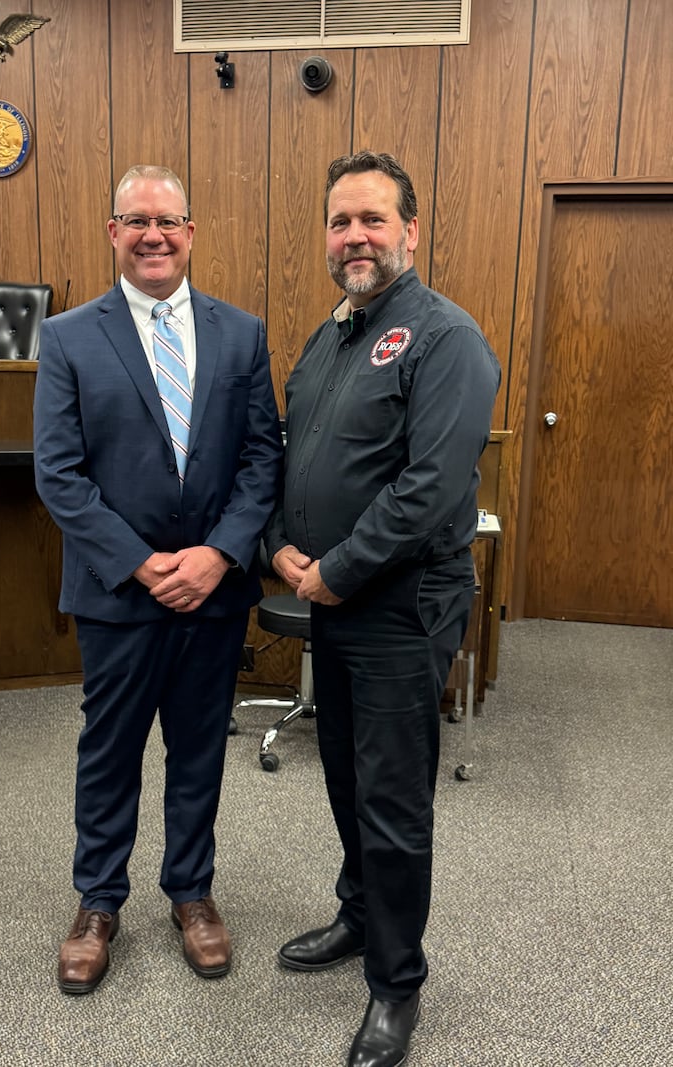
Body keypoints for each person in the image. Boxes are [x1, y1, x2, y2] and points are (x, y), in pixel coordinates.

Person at [265, 150, 501, 1067]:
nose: (354, 236)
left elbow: (431, 488)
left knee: (393, 797)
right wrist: (278, 543)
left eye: (372, 219)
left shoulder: (447, 339)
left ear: (410, 229)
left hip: (401, 603)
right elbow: (293, 455)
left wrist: (334, 569)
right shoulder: (331, 336)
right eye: (339, 221)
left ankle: (396, 986)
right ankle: (360, 918)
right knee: (342, 777)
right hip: (330, 591)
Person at [33, 164, 282, 994]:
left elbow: (261, 460)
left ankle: (193, 892)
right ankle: (97, 902)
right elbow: (59, 474)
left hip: (214, 591)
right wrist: (142, 563)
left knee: (199, 749)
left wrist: (217, 555)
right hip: (116, 593)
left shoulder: (242, 335)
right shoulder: (69, 337)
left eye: (167, 221)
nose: (153, 235)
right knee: (109, 751)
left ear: (191, 230)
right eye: (135, 221)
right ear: (112, 232)